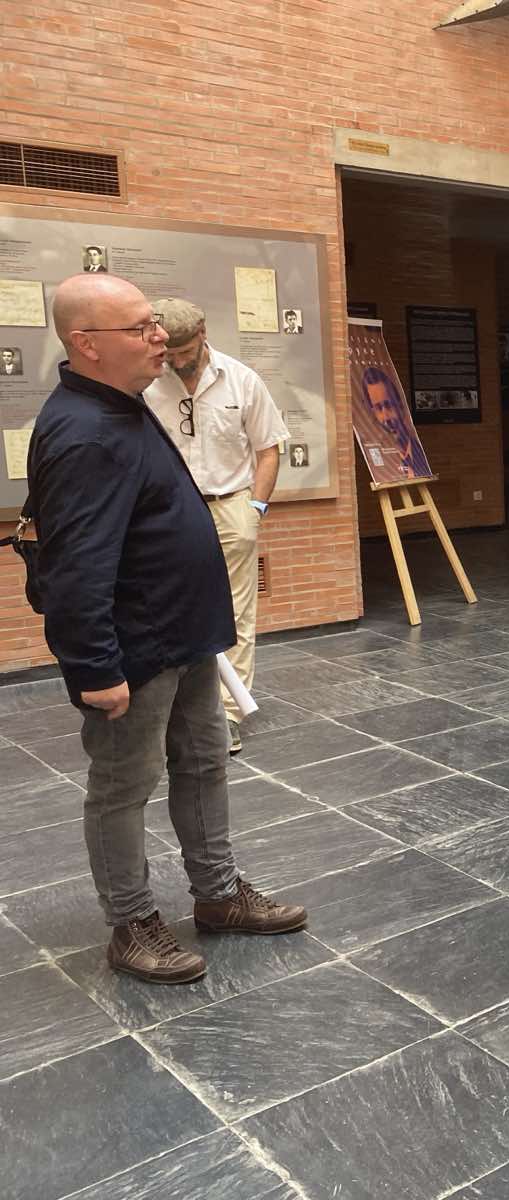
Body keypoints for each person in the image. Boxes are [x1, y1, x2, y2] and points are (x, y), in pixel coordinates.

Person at [28, 274, 307, 985]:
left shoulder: (122, 403)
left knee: (205, 762)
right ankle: (132, 924)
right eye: (140, 328)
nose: (159, 338)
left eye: (155, 324)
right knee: (123, 786)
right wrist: (95, 668)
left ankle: (218, 894)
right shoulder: (86, 433)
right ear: (88, 344)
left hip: (187, 634)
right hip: (137, 647)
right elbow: (77, 565)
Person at [146, 298, 288, 754]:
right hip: (168, 513)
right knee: (168, 608)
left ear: (203, 333)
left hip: (230, 507)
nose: (177, 361)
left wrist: (255, 508)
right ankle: (175, 710)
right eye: (169, 353)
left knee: (236, 613)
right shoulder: (146, 383)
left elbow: (268, 448)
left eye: (185, 351)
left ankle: (228, 713)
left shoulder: (242, 379)